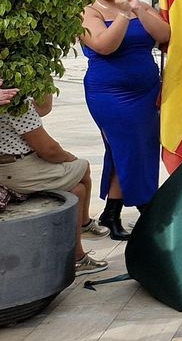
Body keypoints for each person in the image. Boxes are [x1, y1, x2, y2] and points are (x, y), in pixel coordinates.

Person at [80, 0, 170, 240]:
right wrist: (121, 14)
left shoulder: (138, 5)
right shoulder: (88, 12)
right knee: (127, 148)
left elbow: (164, 34)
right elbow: (104, 46)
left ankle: (112, 212)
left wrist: (137, 10)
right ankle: (147, 207)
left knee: (136, 148)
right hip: (110, 93)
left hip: (146, 91)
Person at [0, 91, 108, 275]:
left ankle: (78, 257)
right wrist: (69, 158)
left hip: (13, 166)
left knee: (77, 190)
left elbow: (43, 110)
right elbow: (48, 150)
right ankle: (85, 225)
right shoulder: (16, 104)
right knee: (82, 166)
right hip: (17, 170)